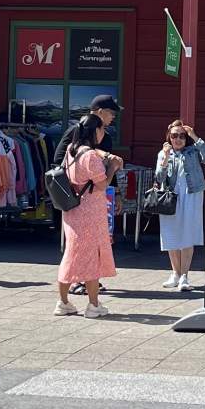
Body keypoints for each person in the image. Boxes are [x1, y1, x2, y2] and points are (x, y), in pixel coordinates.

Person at [56, 114, 121, 317]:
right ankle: (93, 305)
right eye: (101, 129)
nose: (104, 133)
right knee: (92, 256)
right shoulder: (90, 156)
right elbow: (102, 184)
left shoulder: (71, 150)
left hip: (72, 210)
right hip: (90, 211)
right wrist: (113, 167)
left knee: (72, 254)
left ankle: (63, 302)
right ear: (95, 131)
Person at [155, 120, 205, 291]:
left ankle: (185, 276)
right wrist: (165, 158)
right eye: (174, 136)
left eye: (182, 136)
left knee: (188, 232)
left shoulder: (193, 151)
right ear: (169, 137)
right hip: (171, 197)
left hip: (192, 194)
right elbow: (159, 178)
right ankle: (175, 273)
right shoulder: (164, 153)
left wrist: (194, 135)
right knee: (171, 233)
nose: (178, 139)